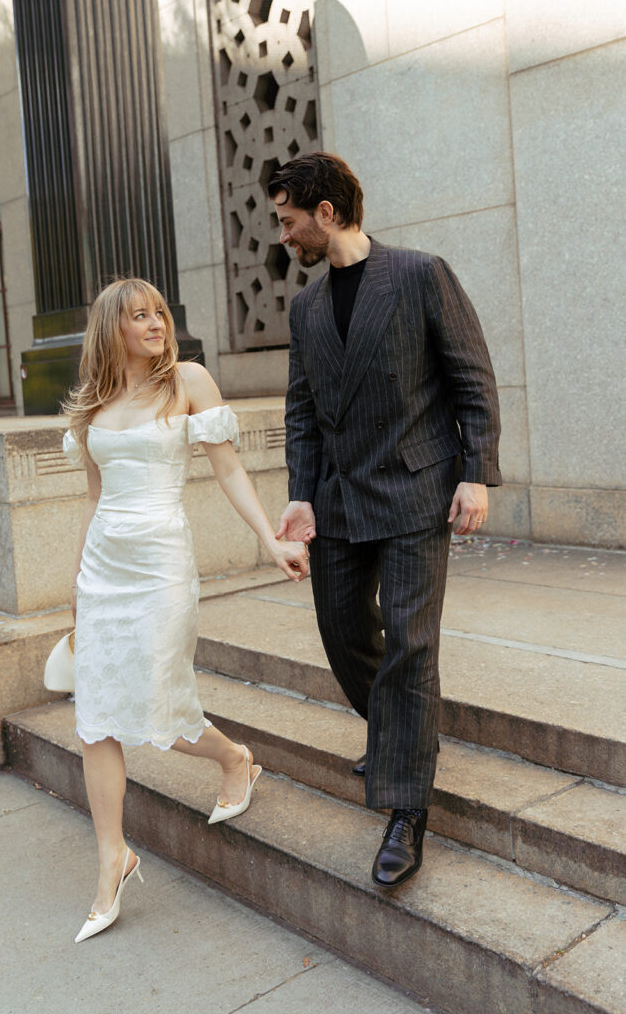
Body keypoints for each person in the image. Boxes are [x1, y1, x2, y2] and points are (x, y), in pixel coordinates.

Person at [267, 153, 501, 888]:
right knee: (342, 632)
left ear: (326, 212)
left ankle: (405, 810)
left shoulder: (420, 274)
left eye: (287, 218)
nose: (283, 234)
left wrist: (475, 472)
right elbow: (301, 409)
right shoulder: (306, 307)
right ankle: (404, 732)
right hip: (336, 499)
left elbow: (472, 377)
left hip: (413, 490)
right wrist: (301, 492)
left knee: (409, 642)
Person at [62, 277, 309, 942]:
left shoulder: (190, 382)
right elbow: (93, 499)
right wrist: (76, 593)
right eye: (139, 316)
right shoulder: (93, 402)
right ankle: (112, 855)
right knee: (96, 719)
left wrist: (269, 540)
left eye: (159, 314)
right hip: (104, 573)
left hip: (162, 567)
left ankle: (234, 758)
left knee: (157, 704)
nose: (154, 325)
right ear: (112, 327)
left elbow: (228, 469)